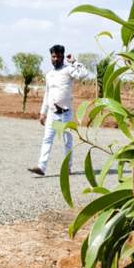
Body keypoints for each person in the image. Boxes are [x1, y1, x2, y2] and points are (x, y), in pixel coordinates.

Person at [28, 44, 87, 176]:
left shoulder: (68, 70)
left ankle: (67, 167)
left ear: (62, 57)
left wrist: (74, 62)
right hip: (52, 114)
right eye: (53, 56)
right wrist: (43, 113)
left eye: (58, 56)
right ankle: (41, 167)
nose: (56, 59)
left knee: (67, 142)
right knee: (47, 139)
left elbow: (83, 74)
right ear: (51, 57)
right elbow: (47, 94)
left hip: (65, 114)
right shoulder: (49, 75)